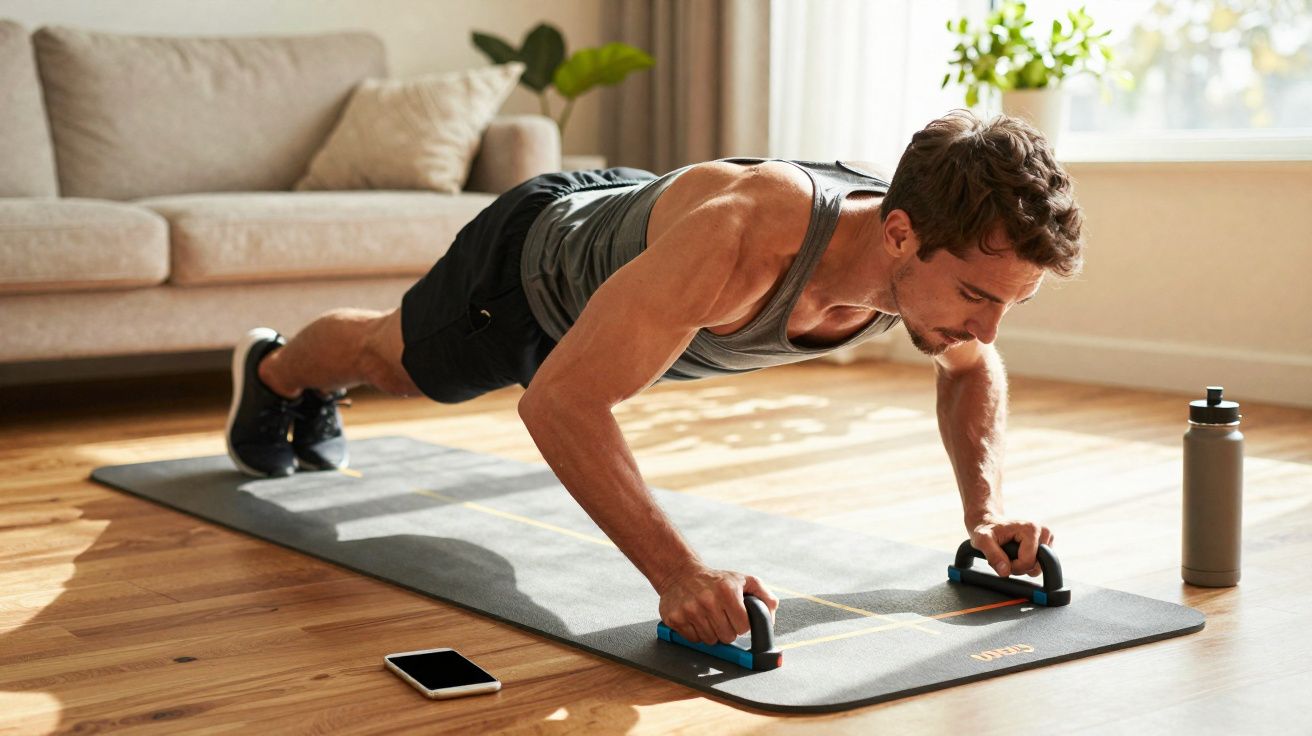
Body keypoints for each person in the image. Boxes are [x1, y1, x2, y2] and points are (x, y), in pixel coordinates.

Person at [225, 109, 1083, 649]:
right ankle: (274, 370)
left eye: (1010, 302)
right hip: (524, 277)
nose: (987, 326)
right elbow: (560, 401)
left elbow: (974, 367)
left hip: (634, 226)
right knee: (395, 365)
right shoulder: (750, 240)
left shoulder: (924, 263)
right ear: (897, 234)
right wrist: (679, 575)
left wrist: (984, 513)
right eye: (976, 295)